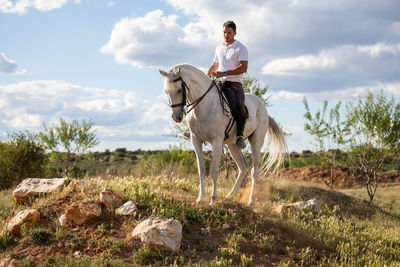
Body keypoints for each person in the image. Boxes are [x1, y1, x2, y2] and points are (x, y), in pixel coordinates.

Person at [207, 20, 248, 149]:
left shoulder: (241, 48)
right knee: (203, 99)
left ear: (235, 33)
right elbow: (215, 65)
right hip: (220, 82)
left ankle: (240, 136)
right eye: (224, 32)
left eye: (229, 33)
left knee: (240, 106)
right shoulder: (218, 48)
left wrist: (224, 73)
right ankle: (197, 130)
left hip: (234, 83)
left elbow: (243, 68)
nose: (226, 35)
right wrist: (206, 76)